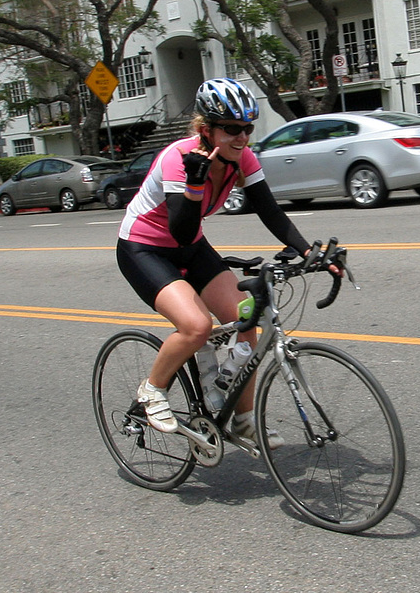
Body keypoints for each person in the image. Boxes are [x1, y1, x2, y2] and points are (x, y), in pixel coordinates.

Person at [116, 78, 313, 449]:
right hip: (145, 248)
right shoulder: (178, 158)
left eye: (247, 129)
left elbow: (270, 211)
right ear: (206, 130)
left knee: (247, 314)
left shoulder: (242, 157)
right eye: (232, 130)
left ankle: (243, 421)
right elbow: (182, 227)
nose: (242, 138)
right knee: (196, 327)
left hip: (191, 247)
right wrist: (194, 186)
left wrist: (307, 251)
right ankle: (152, 389)